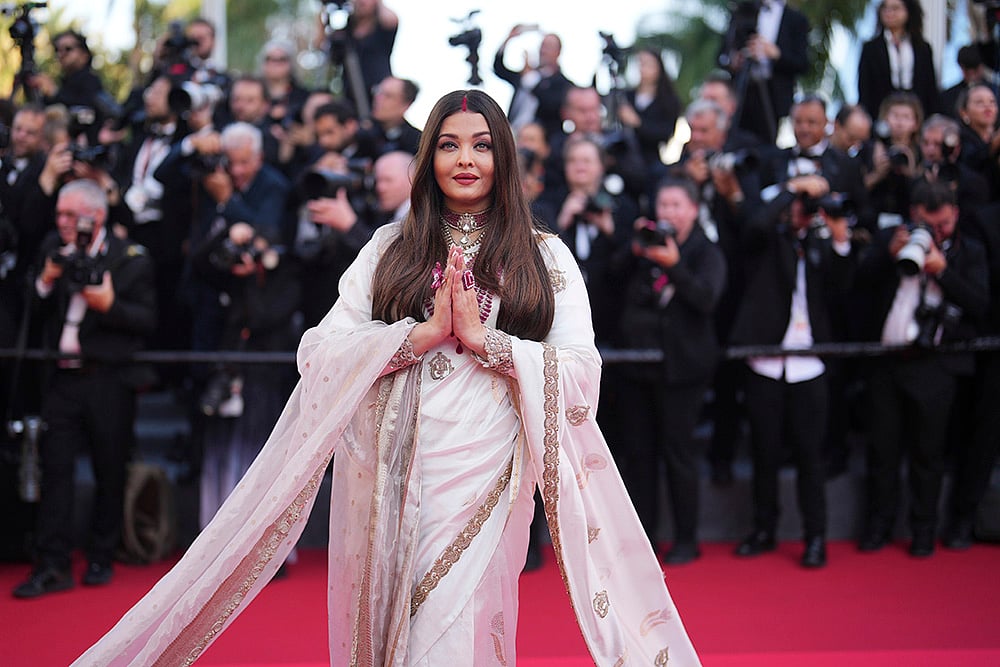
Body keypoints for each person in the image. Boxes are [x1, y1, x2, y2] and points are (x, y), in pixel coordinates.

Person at [70, 89, 700, 666]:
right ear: (428, 158)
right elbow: (320, 350)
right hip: (397, 470)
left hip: (491, 468)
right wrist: (414, 337)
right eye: (449, 144)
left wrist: (493, 345)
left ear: (504, 156)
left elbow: (582, 370)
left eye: (482, 145)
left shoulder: (546, 255)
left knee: (462, 624)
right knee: (403, 622)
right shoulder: (389, 247)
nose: (465, 159)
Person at [11, 179, 157, 598]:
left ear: (98, 216)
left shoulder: (130, 259)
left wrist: (108, 305)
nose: (63, 223)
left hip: (107, 379)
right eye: (60, 214)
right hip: (61, 378)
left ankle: (101, 555)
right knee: (54, 469)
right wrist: (46, 279)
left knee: (109, 468)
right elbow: (30, 307)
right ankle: (52, 563)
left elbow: (146, 321)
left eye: (72, 216)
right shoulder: (50, 248)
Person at [729, 170, 856, 570]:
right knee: (764, 453)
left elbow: (844, 286)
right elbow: (755, 225)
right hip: (766, 361)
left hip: (810, 364)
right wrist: (791, 191)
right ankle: (764, 529)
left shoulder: (821, 245)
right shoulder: (768, 240)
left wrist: (837, 235)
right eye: (800, 205)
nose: (804, 211)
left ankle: (815, 537)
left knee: (809, 456)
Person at [856, 180, 988, 558]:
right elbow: (855, 286)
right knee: (881, 451)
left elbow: (980, 305)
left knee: (928, 455)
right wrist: (887, 254)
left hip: (936, 366)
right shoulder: (891, 238)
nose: (937, 231)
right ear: (914, 216)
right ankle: (878, 527)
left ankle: (923, 531)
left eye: (943, 224)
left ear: (956, 215)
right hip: (886, 363)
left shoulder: (969, 251)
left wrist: (943, 272)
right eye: (929, 224)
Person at [617, 179, 727, 565]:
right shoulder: (642, 249)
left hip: (683, 371)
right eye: (663, 205)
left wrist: (675, 267)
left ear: (694, 210)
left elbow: (706, 299)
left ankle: (686, 538)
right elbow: (609, 287)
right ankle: (644, 538)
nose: (669, 213)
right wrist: (634, 253)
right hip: (637, 367)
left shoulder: (706, 251)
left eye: (677, 205)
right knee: (639, 456)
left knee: (679, 453)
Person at [719, 0, 810, 145]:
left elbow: (802, 63)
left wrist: (776, 54)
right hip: (740, 92)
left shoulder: (796, 19)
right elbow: (722, 54)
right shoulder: (742, 10)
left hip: (772, 97)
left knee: (764, 146)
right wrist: (734, 60)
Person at [857, 0, 940, 121]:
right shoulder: (871, 48)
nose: (889, 13)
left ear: (908, 11)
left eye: (895, 8)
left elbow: (930, 87)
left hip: (918, 114)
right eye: (885, 8)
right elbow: (865, 88)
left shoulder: (922, 48)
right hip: (881, 115)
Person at [492, 25, 574, 135]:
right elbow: (499, 69)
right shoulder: (527, 74)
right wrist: (508, 39)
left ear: (558, 52)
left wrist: (530, 81)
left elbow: (552, 106)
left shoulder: (564, 84)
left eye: (548, 47)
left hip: (541, 141)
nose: (543, 51)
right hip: (512, 133)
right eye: (542, 46)